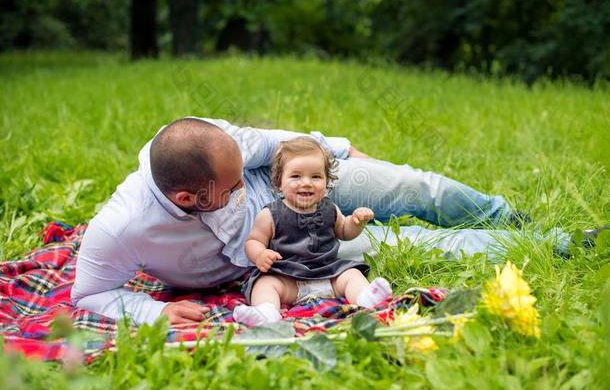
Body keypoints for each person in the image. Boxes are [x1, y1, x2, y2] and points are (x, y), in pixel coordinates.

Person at [71, 116, 579, 327]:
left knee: (411, 186)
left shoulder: (211, 140)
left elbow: (269, 146)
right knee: (419, 244)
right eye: (228, 189)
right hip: (288, 255)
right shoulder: (121, 227)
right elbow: (88, 294)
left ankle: (505, 215)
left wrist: (334, 150)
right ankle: (558, 243)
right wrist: (151, 313)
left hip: (296, 178)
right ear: (186, 197)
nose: (240, 186)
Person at [233, 137, 392, 326]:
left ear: (327, 181)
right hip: (288, 278)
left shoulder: (330, 209)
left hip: (329, 275)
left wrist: (356, 222)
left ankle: (365, 299)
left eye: (316, 176)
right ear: (279, 182)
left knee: (352, 275)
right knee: (265, 285)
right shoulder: (270, 214)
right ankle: (267, 312)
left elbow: (344, 232)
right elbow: (253, 241)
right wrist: (260, 254)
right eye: (296, 176)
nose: (306, 182)